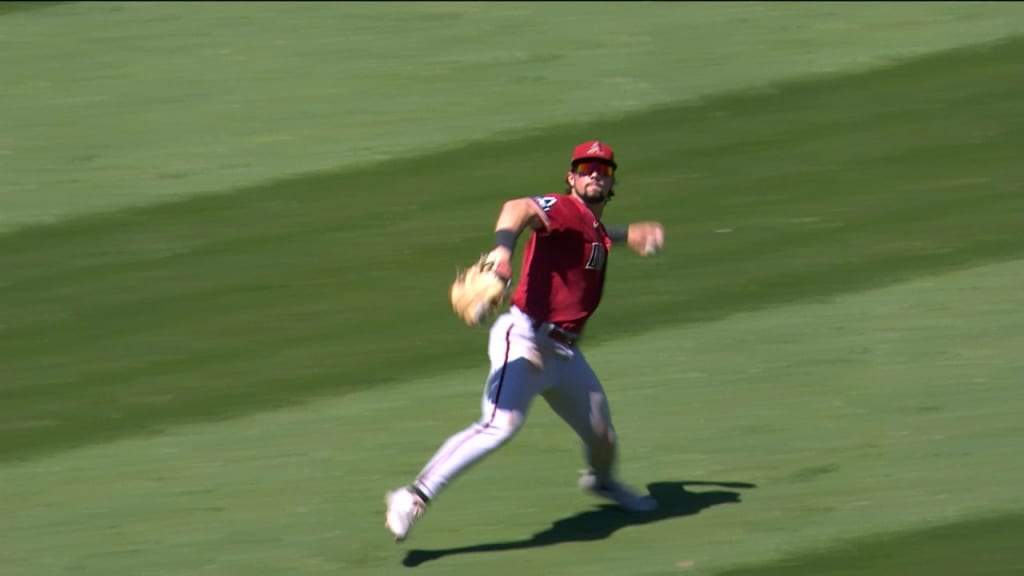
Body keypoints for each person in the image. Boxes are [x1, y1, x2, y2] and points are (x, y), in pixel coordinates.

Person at [385, 140, 666, 542]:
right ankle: (412, 497)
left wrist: (627, 235)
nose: (594, 175)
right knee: (500, 425)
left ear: (612, 181)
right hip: (525, 340)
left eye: (602, 171)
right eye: (586, 169)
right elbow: (518, 208)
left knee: (602, 435)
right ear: (571, 177)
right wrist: (503, 251)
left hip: (565, 354)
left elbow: (593, 236)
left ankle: (602, 483)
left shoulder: (590, 227)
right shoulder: (563, 208)